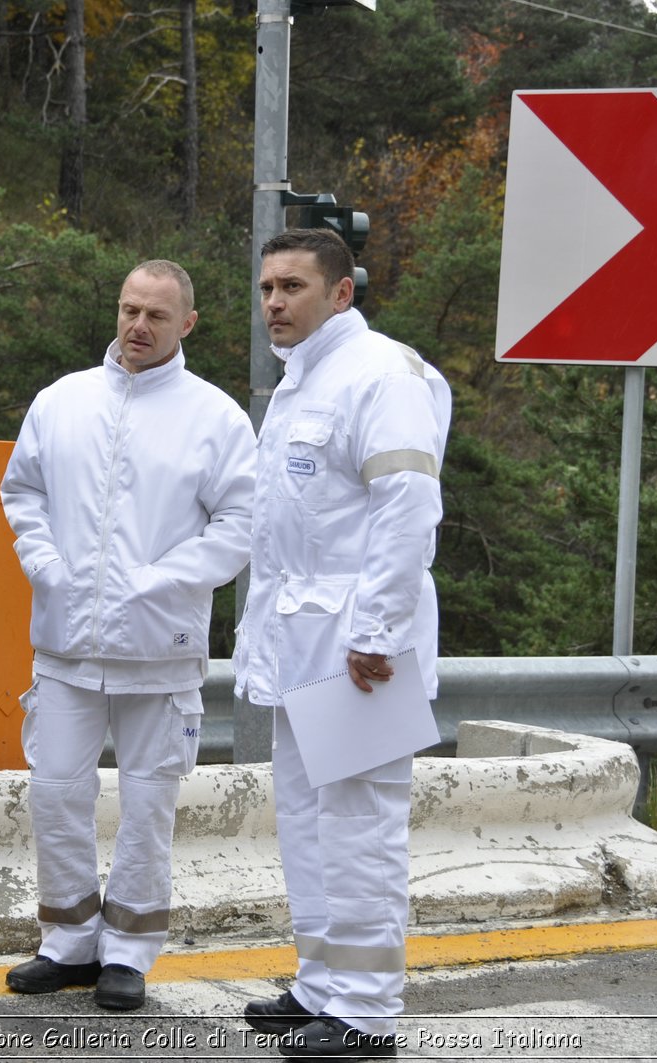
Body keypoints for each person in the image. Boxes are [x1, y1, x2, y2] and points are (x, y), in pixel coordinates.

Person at [0, 260, 256, 1011]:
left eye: (156, 315)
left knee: (148, 803)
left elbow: (241, 523)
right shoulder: (63, 400)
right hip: (66, 641)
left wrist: (163, 577)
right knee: (54, 792)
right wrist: (42, 561)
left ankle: (131, 949)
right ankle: (68, 939)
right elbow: (23, 490)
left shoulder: (216, 418)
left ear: (188, 324)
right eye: (128, 309)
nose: (137, 326)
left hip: (161, 647)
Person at [234, 229, 450, 1060]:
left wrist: (376, 632)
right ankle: (321, 983)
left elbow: (407, 510)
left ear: (342, 293)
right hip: (302, 645)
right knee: (309, 822)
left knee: (360, 826)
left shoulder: (380, 374)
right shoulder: (303, 382)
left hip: (359, 648)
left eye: (292, 287)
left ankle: (365, 1011)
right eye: (266, 288)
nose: (275, 304)